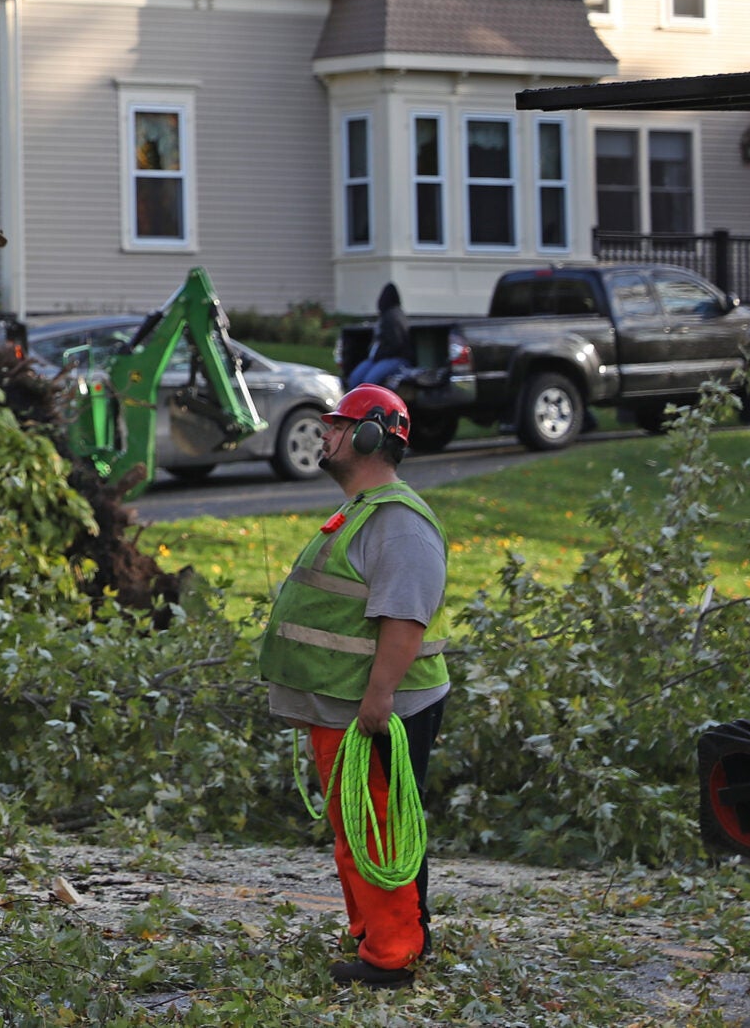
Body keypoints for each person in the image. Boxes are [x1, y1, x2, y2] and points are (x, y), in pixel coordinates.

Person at [255, 383, 450, 991]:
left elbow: (406, 617)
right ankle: (377, 936)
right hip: (343, 704)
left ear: (370, 436)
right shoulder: (364, 513)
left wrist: (378, 696)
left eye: (338, 426)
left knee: (378, 828)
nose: (325, 433)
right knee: (358, 828)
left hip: (377, 707)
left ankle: (393, 958)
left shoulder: (398, 523)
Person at [349, 282, 411, 389]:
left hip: (395, 359)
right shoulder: (385, 317)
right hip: (378, 358)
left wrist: (380, 354)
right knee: (355, 377)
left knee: (370, 381)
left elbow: (396, 344)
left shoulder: (393, 317)